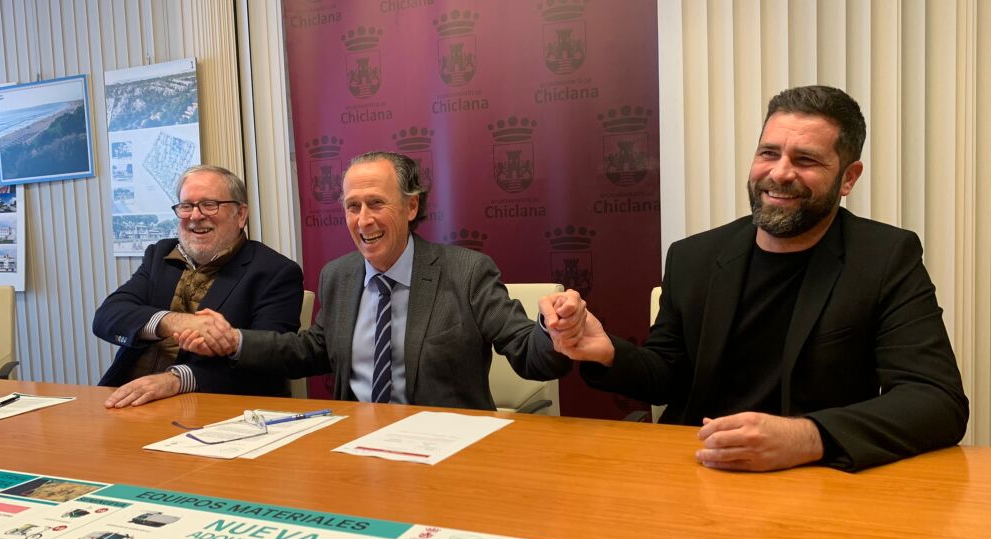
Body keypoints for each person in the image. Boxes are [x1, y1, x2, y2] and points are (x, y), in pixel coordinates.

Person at [542, 85, 969, 472]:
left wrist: (807, 437)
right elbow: (668, 375)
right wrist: (607, 352)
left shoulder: (885, 258)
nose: (780, 173)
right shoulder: (693, 257)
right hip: (701, 468)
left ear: (848, 178)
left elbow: (936, 400)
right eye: (768, 153)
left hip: (817, 479)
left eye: (805, 160)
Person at [178, 151, 581, 409]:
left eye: (376, 204)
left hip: (445, 449)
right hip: (357, 447)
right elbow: (313, 350)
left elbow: (531, 355)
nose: (363, 220)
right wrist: (235, 341)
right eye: (352, 206)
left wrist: (555, 328)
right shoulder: (339, 275)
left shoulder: (467, 272)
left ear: (410, 206)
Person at [93, 164, 304, 408]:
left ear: (241, 214)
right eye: (186, 206)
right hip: (127, 397)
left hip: (210, 408)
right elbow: (108, 316)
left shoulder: (274, 272)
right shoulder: (160, 255)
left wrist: (178, 380)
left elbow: (270, 361)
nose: (195, 216)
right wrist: (177, 322)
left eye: (209, 204)